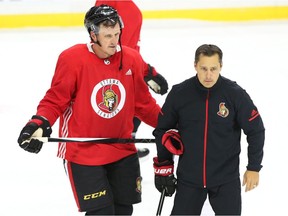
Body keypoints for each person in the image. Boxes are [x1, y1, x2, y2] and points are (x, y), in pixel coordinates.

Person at [17, 5, 161, 215]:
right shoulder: (72, 59)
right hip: (83, 153)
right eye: (108, 35)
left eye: (117, 34)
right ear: (93, 35)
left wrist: (173, 124)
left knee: (123, 211)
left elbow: (144, 105)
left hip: (121, 148)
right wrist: (39, 122)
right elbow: (55, 100)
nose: (114, 41)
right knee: (101, 213)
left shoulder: (131, 58)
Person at [153, 44, 265, 215]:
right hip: (189, 180)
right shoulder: (180, 94)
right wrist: (164, 167)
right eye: (203, 68)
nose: (208, 75)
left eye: (213, 68)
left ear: (221, 66)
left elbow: (256, 130)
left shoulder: (235, 94)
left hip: (225, 180)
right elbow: (162, 130)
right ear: (195, 66)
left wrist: (254, 167)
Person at [95, 0, 169, 158]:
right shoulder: (111, 1)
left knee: (135, 102)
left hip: (130, 65)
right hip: (120, 67)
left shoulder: (127, 4)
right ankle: (117, 148)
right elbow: (103, 38)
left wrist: (143, 69)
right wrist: (143, 69)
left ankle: (129, 142)